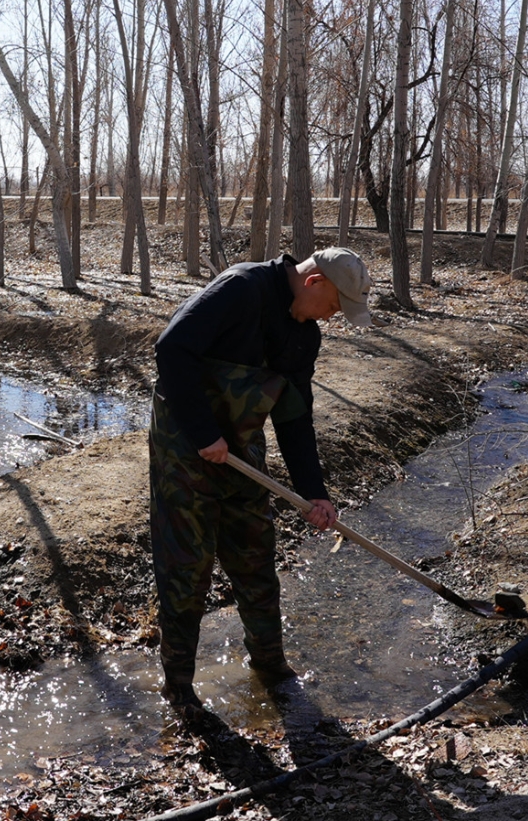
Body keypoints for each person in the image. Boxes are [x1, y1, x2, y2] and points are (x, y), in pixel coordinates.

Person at [149, 246, 374, 713]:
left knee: (255, 557)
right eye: (334, 306)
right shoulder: (241, 289)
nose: (332, 318)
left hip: (243, 449)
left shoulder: (304, 337)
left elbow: (295, 419)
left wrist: (315, 491)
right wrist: (203, 434)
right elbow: (172, 349)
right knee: (186, 569)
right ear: (314, 283)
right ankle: (180, 688)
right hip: (187, 446)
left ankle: (271, 668)